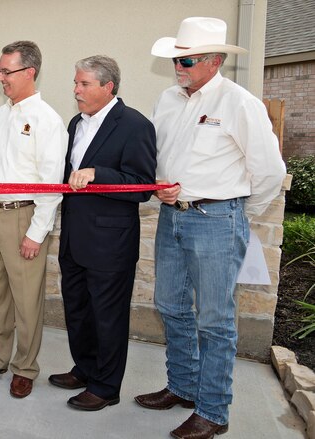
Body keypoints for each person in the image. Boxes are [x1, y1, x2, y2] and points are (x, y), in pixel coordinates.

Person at [134, 17, 286, 439]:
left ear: (215, 61)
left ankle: (214, 412)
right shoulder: (167, 98)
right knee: (170, 305)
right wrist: (160, 189)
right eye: (175, 59)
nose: (178, 66)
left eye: (187, 59)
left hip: (217, 220)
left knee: (215, 321)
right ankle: (183, 386)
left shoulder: (239, 103)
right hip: (172, 216)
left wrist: (235, 210)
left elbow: (270, 171)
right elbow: (161, 155)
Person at [47, 55, 157, 411]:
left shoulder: (135, 125)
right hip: (74, 238)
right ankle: (86, 369)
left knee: (108, 316)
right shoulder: (75, 124)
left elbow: (142, 186)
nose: (76, 90)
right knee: (78, 310)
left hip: (111, 244)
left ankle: (107, 386)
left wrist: (99, 174)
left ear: (108, 87)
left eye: (84, 84)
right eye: (75, 83)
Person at [0, 41, 67, 399]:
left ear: (30, 72)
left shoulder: (48, 120)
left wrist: (36, 233)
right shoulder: (1, 114)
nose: (0, 78)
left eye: (6, 71)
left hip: (22, 217)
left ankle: (25, 367)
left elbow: (51, 183)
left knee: (26, 300)